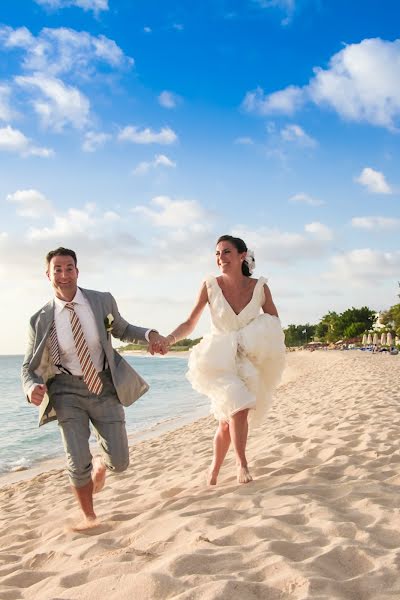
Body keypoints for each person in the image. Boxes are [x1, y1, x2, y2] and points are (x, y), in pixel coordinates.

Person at [21, 247, 168, 530]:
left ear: (77, 270)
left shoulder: (101, 301)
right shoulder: (39, 319)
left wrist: (150, 335)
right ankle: (89, 515)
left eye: (69, 268)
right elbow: (28, 366)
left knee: (120, 463)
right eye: (57, 270)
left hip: (104, 385)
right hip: (65, 391)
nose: (64, 275)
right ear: (48, 275)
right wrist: (31, 388)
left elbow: (123, 329)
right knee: (76, 460)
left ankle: (102, 463)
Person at [165, 235, 285, 485]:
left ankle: (214, 469)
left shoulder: (259, 287)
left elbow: (274, 322)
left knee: (226, 423)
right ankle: (242, 464)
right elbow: (190, 323)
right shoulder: (210, 286)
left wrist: (254, 338)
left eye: (227, 252)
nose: (221, 258)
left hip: (248, 359)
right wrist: (169, 340)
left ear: (242, 255)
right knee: (238, 409)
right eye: (218, 253)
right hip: (218, 359)